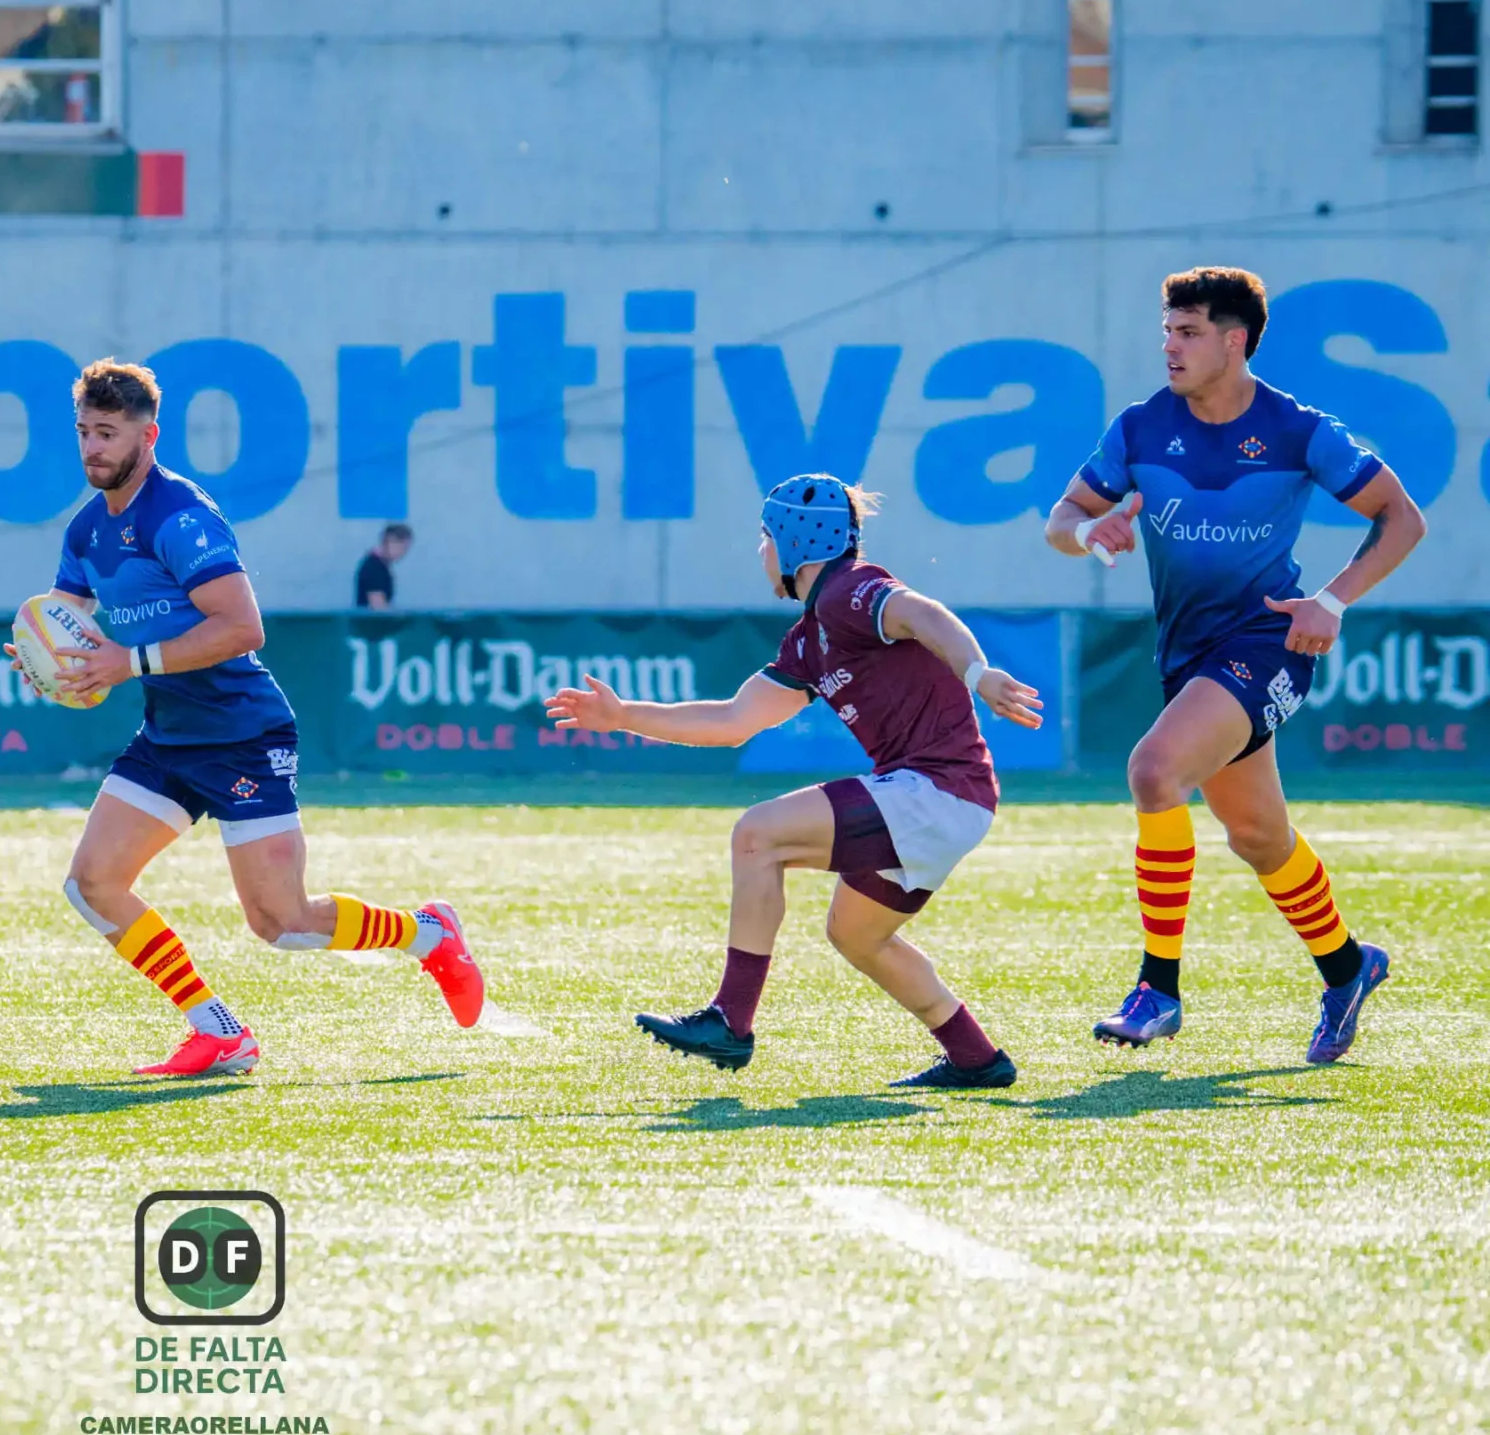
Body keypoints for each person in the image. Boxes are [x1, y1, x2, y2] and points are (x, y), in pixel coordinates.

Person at [14, 360, 484, 1077]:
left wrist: (128, 662)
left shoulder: (179, 515)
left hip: (242, 734)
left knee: (282, 922)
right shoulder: (86, 530)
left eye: (108, 432)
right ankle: (221, 1031)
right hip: (170, 735)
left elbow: (243, 626)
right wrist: (50, 661)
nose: (93, 448)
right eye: (84, 431)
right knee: (93, 882)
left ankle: (427, 934)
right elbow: (71, 625)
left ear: (150, 434)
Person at [547, 476, 1043, 1089]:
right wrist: (624, 718)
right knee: (856, 936)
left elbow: (923, 613)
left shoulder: (850, 590)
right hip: (940, 798)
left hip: (937, 790)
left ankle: (731, 1019)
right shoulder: (809, 639)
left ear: (793, 540)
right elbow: (734, 721)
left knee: (758, 835)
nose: (760, 553)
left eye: (764, 538)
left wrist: (979, 672)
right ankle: (976, 1057)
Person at [1046, 267, 1427, 1062]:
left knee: (1154, 769)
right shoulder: (1141, 427)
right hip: (1187, 657)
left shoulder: (1297, 428)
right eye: (1167, 331)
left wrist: (1334, 598)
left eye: (1187, 332)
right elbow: (1063, 516)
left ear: (1235, 339)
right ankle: (1349, 966)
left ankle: (1158, 988)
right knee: (1258, 835)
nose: (1170, 347)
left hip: (1269, 643)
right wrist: (1091, 532)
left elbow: (1402, 517)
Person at [354, 524, 412, 610]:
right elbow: (378, 607)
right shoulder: (374, 569)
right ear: (391, 542)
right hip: (371, 623)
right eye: (403, 547)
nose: (404, 553)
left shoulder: (379, 566)